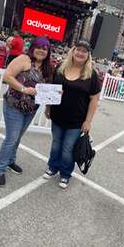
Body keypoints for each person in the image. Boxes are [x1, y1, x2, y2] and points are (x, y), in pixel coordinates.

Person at [0, 36, 53, 186]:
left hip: (31, 109)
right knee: (11, 138)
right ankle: (0, 169)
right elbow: (7, 76)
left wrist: (53, 99)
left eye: (45, 48)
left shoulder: (47, 67)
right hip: (13, 105)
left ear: (48, 52)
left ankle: (10, 161)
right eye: (39, 47)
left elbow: (48, 90)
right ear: (33, 47)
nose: (41, 51)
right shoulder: (23, 59)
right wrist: (23, 89)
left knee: (18, 136)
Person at [43, 40, 101, 189]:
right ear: (73, 51)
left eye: (84, 51)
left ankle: (65, 174)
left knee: (68, 149)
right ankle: (52, 166)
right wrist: (48, 108)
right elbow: (52, 90)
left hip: (76, 120)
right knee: (56, 145)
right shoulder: (61, 68)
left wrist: (88, 121)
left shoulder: (91, 75)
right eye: (78, 50)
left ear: (88, 55)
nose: (80, 53)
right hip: (58, 115)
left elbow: (94, 100)